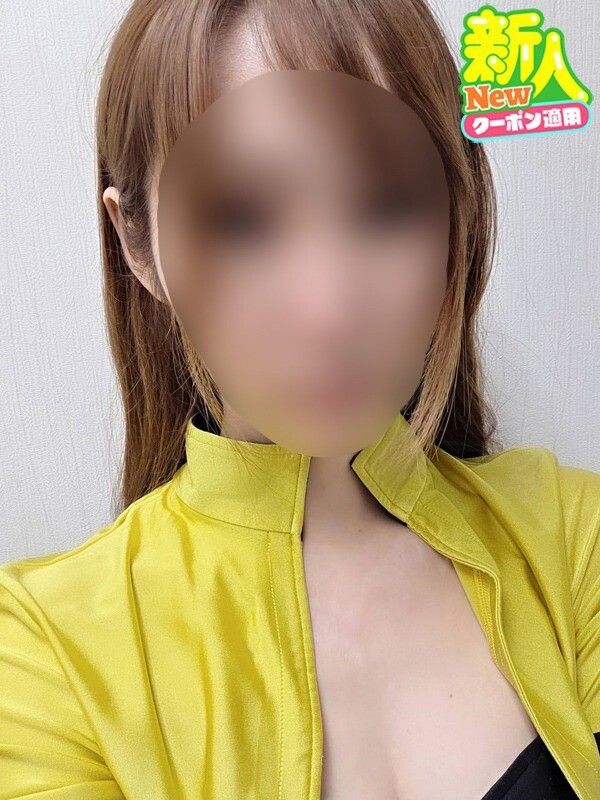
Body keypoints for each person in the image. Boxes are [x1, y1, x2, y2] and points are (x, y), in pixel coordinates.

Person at [1, 1, 599, 798]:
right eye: (242, 221)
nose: (328, 311)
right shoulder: (46, 649)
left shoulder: (572, 538)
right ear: (140, 245)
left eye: (388, 206)